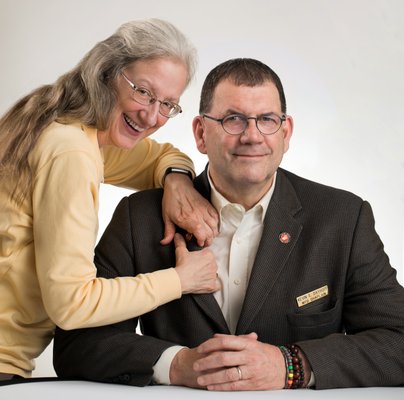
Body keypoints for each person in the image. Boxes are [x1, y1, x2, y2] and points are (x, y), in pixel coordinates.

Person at [53, 58, 404, 390]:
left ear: (286, 132)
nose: (252, 136)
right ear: (201, 134)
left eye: (267, 119)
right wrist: (177, 364)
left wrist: (291, 365)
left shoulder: (342, 217)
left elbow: (397, 341)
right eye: (233, 119)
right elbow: (77, 345)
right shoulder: (139, 217)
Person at [0, 19, 221, 381]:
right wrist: (180, 280)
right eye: (144, 92)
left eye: (168, 104)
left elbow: (160, 156)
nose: (151, 116)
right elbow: (72, 304)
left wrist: (176, 180)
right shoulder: (71, 151)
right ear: (108, 73)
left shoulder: (67, 123)